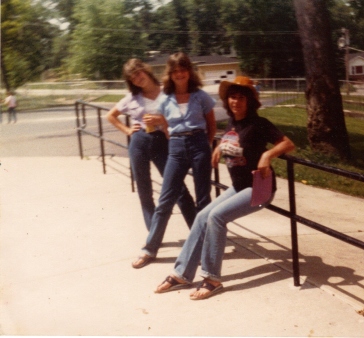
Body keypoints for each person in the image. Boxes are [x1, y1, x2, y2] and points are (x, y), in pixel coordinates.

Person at [153, 76, 295, 300]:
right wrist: (219, 146)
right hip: (239, 186)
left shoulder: (259, 124)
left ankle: (212, 279)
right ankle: (182, 274)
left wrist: (267, 155)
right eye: (232, 97)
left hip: (259, 188)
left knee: (216, 217)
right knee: (202, 216)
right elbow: (234, 139)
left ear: (250, 101)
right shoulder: (233, 123)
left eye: (240, 97)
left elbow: (288, 144)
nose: (235, 102)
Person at [131, 52, 216, 269]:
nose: (179, 74)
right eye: (175, 71)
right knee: (166, 199)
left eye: (183, 69)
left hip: (199, 145)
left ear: (189, 71)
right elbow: (165, 125)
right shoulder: (166, 98)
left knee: (203, 199)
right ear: (170, 73)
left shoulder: (201, 96)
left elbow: (211, 124)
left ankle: (205, 246)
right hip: (176, 147)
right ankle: (150, 248)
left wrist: (205, 147)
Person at [106, 58, 197, 252]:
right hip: (139, 142)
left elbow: (181, 115)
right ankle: (153, 235)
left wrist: (162, 121)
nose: (137, 79)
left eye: (138, 73)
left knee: (178, 189)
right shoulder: (132, 97)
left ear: (145, 71)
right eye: (132, 77)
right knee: (144, 191)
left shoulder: (167, 90)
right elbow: (110, 115)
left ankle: (198, 231)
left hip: (164, 142)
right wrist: (128, 130)